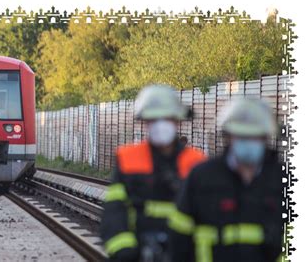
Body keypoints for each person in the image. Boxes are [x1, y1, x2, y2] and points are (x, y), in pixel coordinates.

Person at [100, 85, 207, 261]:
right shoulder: (128, 159)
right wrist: (124, 250)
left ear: (177, 120)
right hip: (138, 252)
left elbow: (207, 217)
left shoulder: (196, 162)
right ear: (145, 122)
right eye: (154, 119)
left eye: (166, 118)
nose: (160, 124)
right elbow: (114, 211)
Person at [169, 98, 283, 262]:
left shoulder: (284, 181)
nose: (248, 141)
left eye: (255, 136)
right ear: (228, 137)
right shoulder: (201, 177)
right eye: (242, 135)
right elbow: (179, 239)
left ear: (266, 138)